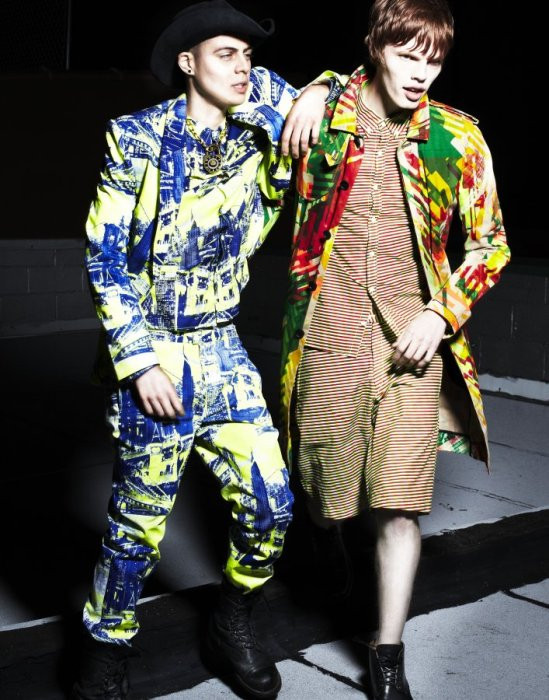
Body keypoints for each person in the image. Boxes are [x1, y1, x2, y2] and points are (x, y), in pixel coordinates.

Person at [71, 2, 332, 698]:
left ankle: (232, 618)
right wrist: (138, 362)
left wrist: (319, 88)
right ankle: (104, 653)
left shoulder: (260, 122)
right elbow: (104, 259)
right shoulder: (136, 137)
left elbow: (331, 113)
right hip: (156, 351)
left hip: (222, 348)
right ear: (187, 63)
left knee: (272, 506)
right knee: (137, 528)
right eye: (225, 53)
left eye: (249, 55)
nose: (243, 66)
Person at [280, 0, 510, 697]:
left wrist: (441, 315)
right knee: (324, 489)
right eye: (406, 55)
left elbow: (491, 244)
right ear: (375, 47)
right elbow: (231, 84)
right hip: (329, 332)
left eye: (432, 60)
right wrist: (319, 84)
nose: (420, 73)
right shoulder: (324, 117)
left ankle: (386, 655)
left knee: (400, 505)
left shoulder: (458, 138)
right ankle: (325, 533)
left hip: (414, 344)